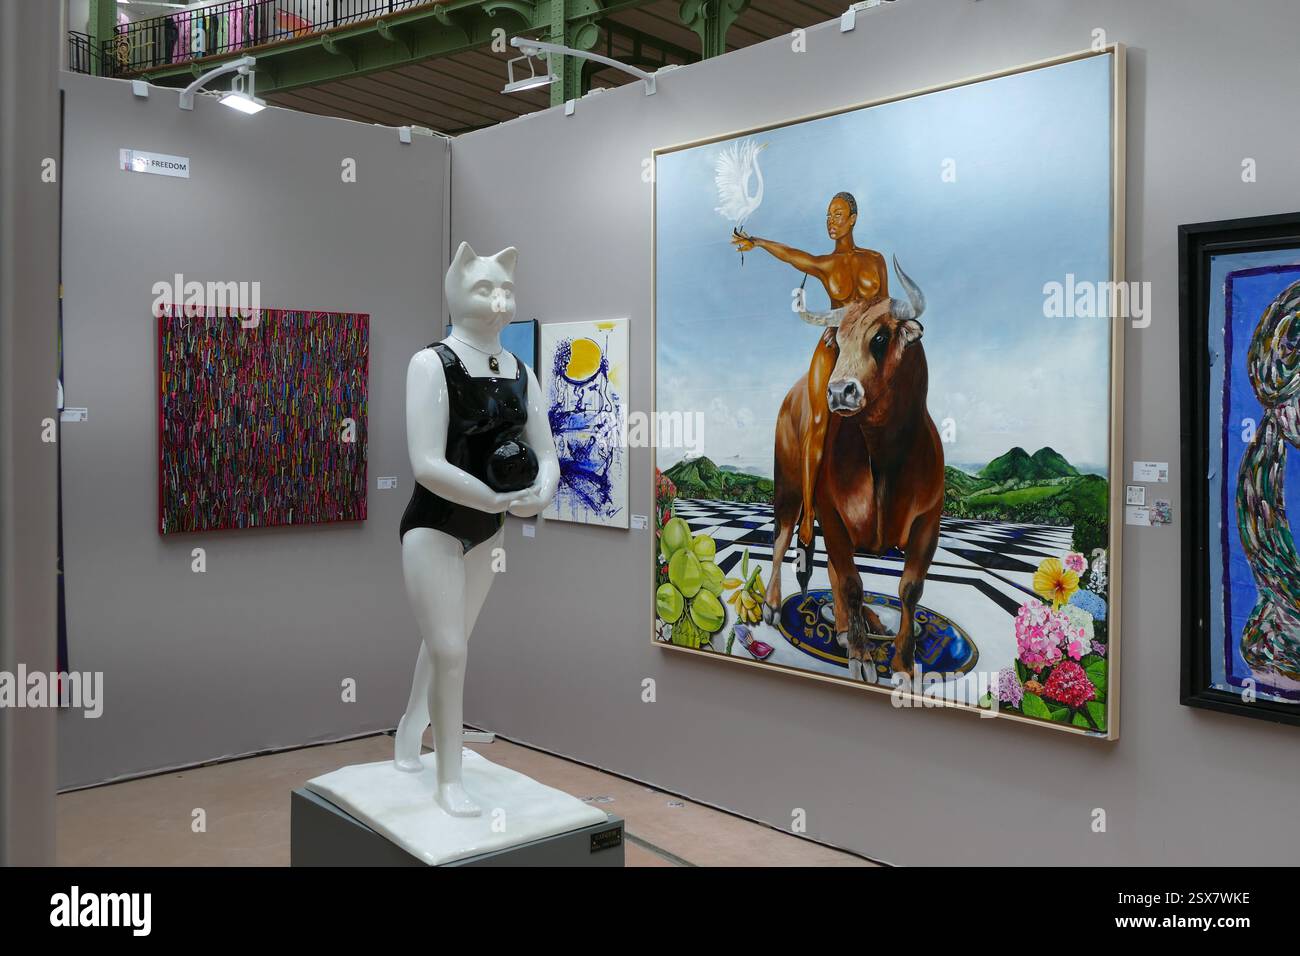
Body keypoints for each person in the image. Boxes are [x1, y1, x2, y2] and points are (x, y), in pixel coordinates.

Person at [731, 191, 888, 547]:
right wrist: (756, 242)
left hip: (865, 346)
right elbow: (792, 257)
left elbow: (884, 309)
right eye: (827, 215)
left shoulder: (875, 260)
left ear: (853, 218)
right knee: (817, 422)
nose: (830, 221)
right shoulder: (824, 265)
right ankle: (808, 513)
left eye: (837, 214)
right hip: (833, 342)